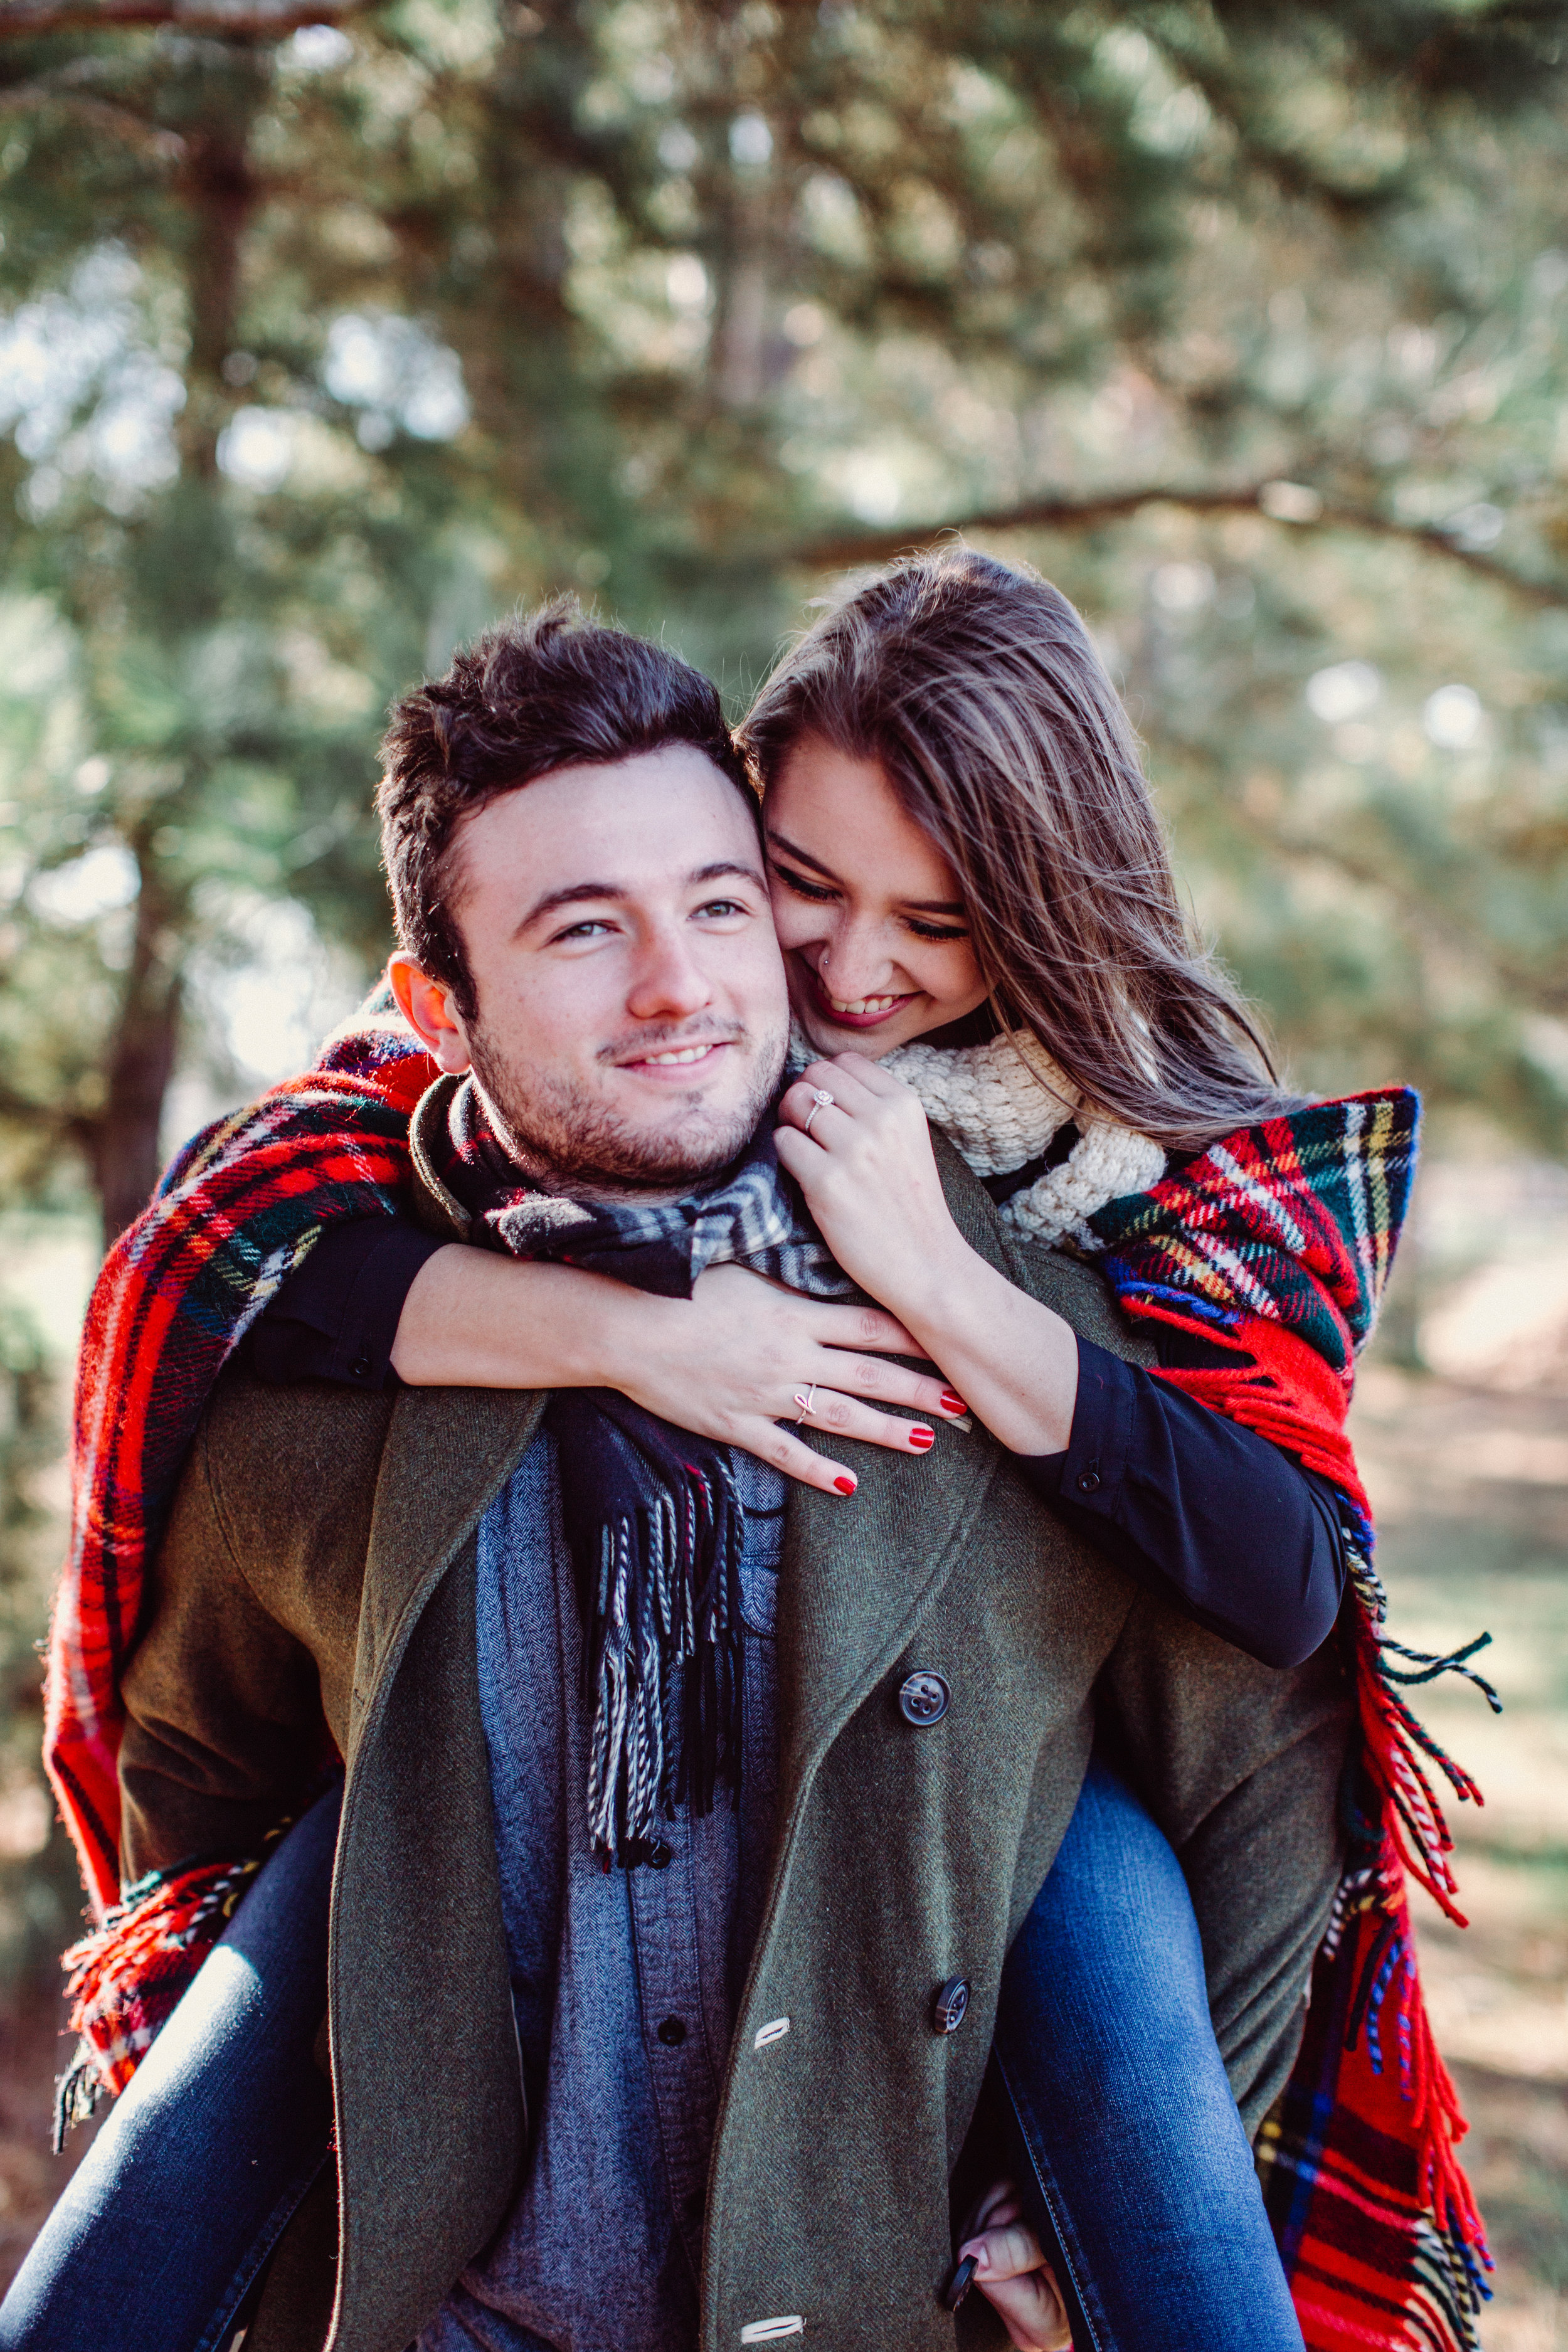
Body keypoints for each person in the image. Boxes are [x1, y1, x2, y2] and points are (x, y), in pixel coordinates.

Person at [23, 569, 1483, 2352]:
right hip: (478, 2186)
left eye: (932, 923)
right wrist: (643, 1337)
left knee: (1097, 1874)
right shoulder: (413, 1137)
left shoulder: (1130, 1183)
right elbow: (227, 1289)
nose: (851, 975)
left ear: (1027, 921)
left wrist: (941, 1289)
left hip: (983, 1863)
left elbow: (1274, 1624)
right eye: (796, 887)